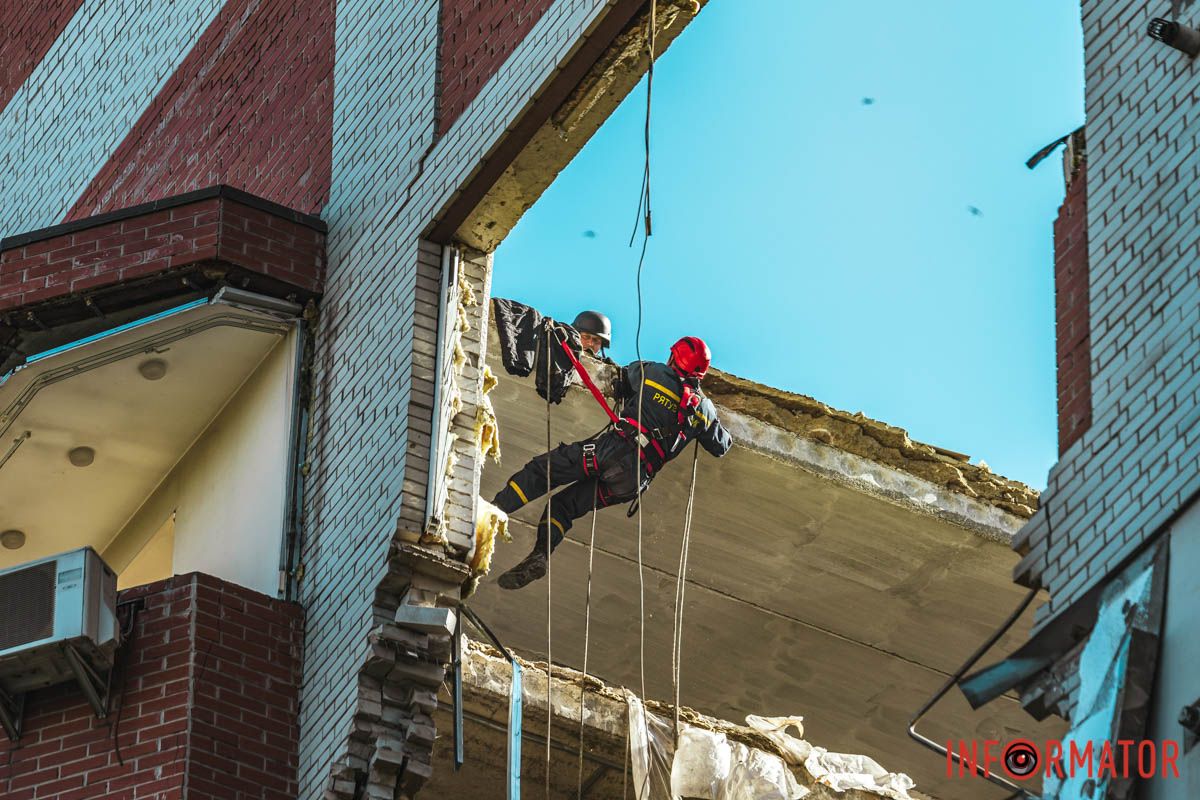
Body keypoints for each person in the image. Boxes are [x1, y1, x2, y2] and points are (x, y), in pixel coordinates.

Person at [492, 336, 732, 589]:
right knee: (563, 507)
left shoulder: (653, 372)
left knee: (542, 471)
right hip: (634, 480)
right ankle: (539, 555)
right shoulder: (704, 410)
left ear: (674, 357)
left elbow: (620, 382)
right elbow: (721, 446)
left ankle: (493, 511)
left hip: (614, 450)